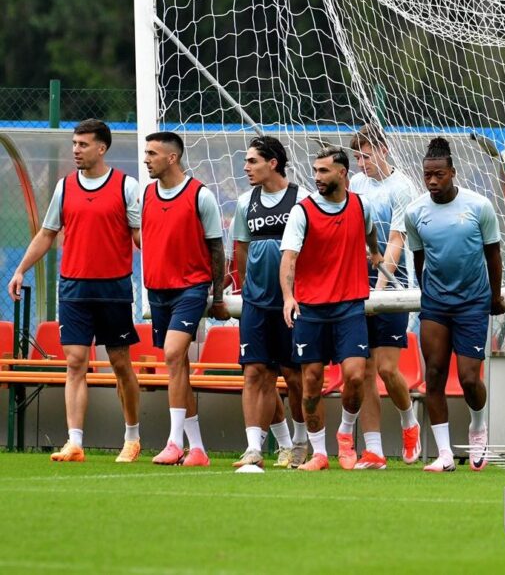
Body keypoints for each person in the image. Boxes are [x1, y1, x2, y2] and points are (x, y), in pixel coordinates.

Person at [6, 120, 143, 463]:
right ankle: (75, 441)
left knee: (120, 363)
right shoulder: (64, 188)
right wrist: (20, 269)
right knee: (75, 362)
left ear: (101, 148)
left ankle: (132, 437)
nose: (75, 150)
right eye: (74, 143)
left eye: (82, 144)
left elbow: (141, 237)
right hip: (74, 288)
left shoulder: (127, 186)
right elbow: (47, 233)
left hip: (114, 288)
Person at [404, 137, 504, 473]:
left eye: (439, 175)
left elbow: (493, 254)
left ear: (453, 173)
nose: (432, 181)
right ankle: (445, 455)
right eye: (427, 175)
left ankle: (477, 427)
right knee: (433, 374)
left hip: (473, 302)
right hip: (435, 303)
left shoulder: (479, 207)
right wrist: (426, 294)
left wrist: (494, 296)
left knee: (469, 379)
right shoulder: (415, 212)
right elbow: (418, 259)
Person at [279, 146, 380, 471]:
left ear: (342, 173)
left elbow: (370, 231)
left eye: (324, 171)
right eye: (315, 170)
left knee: (354, 376)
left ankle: (346, 436)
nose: (317, 177)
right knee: (310, 382)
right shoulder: (303, 211)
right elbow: (289, 258)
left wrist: (375, 253)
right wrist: (288, 296)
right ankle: (319, 453)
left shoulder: (360, 205)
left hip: (350, 307)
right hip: (311, 310)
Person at [142, 132, 230, 466]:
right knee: (179, 365)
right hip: (157, 289)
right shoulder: (147, 194)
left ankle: (173, 442)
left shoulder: (200, 196)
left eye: (152, 153)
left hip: (190, 289)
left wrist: (217, 296)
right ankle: (198, 450)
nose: (147, 158)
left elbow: (217, 248)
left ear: (172, 158)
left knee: (172, 354)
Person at [231, 136, 311, 469]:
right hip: (256, 302)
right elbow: (241, 248)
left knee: (295, 376)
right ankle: (253, 448)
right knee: (254, 372)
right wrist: (240, 285)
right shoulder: (244, 202)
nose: (246, 167)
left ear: (272, 163)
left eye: (252, 161)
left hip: (294, 303)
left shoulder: (302, 199)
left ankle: (301, 441)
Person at [349, 125, 421, 469]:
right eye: (357, 157)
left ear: (384, 150)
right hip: (358, 283)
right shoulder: (356, 183)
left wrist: (379, 289)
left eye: (366, 155)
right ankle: (374, 450)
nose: (361, 163)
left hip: (393, 284)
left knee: (388, 369)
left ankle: (410, 423)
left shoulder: (402, 187)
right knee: (363, 370)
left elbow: (395, 240)